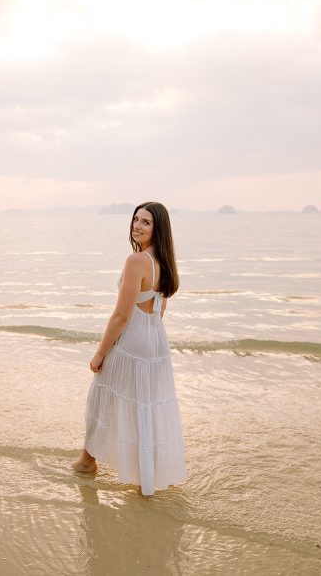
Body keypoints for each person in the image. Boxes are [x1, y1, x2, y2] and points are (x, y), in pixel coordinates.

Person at [73, 202, 186, 495]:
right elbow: (159, 308)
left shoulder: (136, 262)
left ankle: (87, 463)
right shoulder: (165, 261)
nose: (137, 226)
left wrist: (100, 353)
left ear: (157, 228)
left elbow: (122, 314)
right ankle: (144, 478)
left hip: (133, 339)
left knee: (103, 397)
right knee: (145, 406)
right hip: (155, 339)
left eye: (146, 222)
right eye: (136, 219)